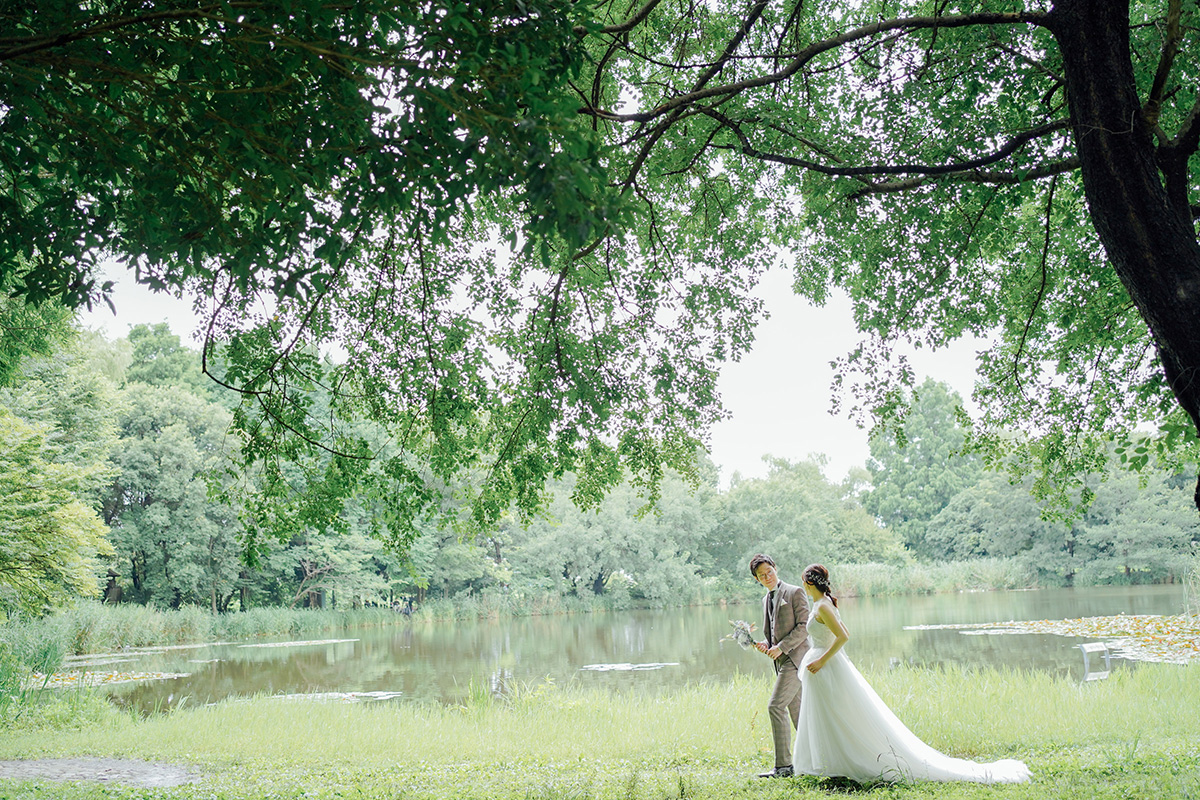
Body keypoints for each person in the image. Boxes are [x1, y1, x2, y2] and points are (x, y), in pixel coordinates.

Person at [792, 564, 1031, 784]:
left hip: (826, 666)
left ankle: (842, 761)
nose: (803, 585)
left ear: (808, 583)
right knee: (826, 713)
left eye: (804, 581)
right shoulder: (821, 604)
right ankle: (827, 762)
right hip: (821, 668)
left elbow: (844, 635)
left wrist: (822, 659)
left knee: (837, 713)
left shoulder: (823, 605)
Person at [748, 554, 810, 778]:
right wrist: (766, 645)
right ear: (757, 579)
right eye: (761, 576)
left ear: (776, 568)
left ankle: (784, 767)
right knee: (798, 715)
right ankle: (815, 759)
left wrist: (782, 647)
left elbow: (804, 626)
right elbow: (774, 634)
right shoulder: (766, 599)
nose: (767, 577)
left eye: (769, 572)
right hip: (782, 662)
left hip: (797, 660)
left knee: (775, 706)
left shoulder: (795, 592)